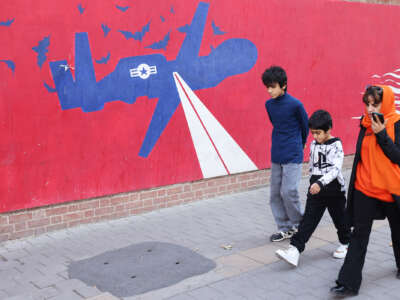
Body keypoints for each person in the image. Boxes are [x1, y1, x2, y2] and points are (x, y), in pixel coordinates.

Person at [330, 85, 400, 297]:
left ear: (385, 102)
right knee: (359, 235)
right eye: (367, 103)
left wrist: (382, 136)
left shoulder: (396, 124)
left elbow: (397, 157)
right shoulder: (365, 123)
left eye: (375, 103)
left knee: (398, 231)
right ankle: (348, 283)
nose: (370, 109)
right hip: (365, 187)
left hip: (391, 189)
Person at [275, 110, 351, 266]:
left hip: (333, 188)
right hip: (316, 186)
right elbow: (312, 165)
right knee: (308, 219)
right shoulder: (314, 144)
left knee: (340, 218)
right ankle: (294, 250)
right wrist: (313, 181)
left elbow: (335, 169)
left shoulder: (336, 144)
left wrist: (320, 183)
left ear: (329, 129)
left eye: (318, 133)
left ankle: (346, 243)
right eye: (313, 133)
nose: (315, 136)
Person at [262, 66, 309, 242]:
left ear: (283, 85)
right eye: (267, 87)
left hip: (293, 154)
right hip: (277, 153)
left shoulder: (296, 105)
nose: (269, 90)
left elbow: (305, 126)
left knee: (289, 191)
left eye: (272, 86)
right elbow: (276, 124)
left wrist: (301, 143)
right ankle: (284, 228)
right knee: (275, 194)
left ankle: (300, 225)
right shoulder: (269, 105)